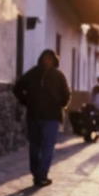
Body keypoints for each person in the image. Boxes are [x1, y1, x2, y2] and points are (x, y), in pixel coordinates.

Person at [13, 49, 71, 187]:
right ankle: (41, 175)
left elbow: (17, 88)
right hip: (48, 117)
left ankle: (37, 174)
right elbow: (66, 95)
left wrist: (26, 101)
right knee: (46, 147)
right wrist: (59, 105)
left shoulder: (33, 73)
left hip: (35, 115)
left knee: (36, 146)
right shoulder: (58, 75)